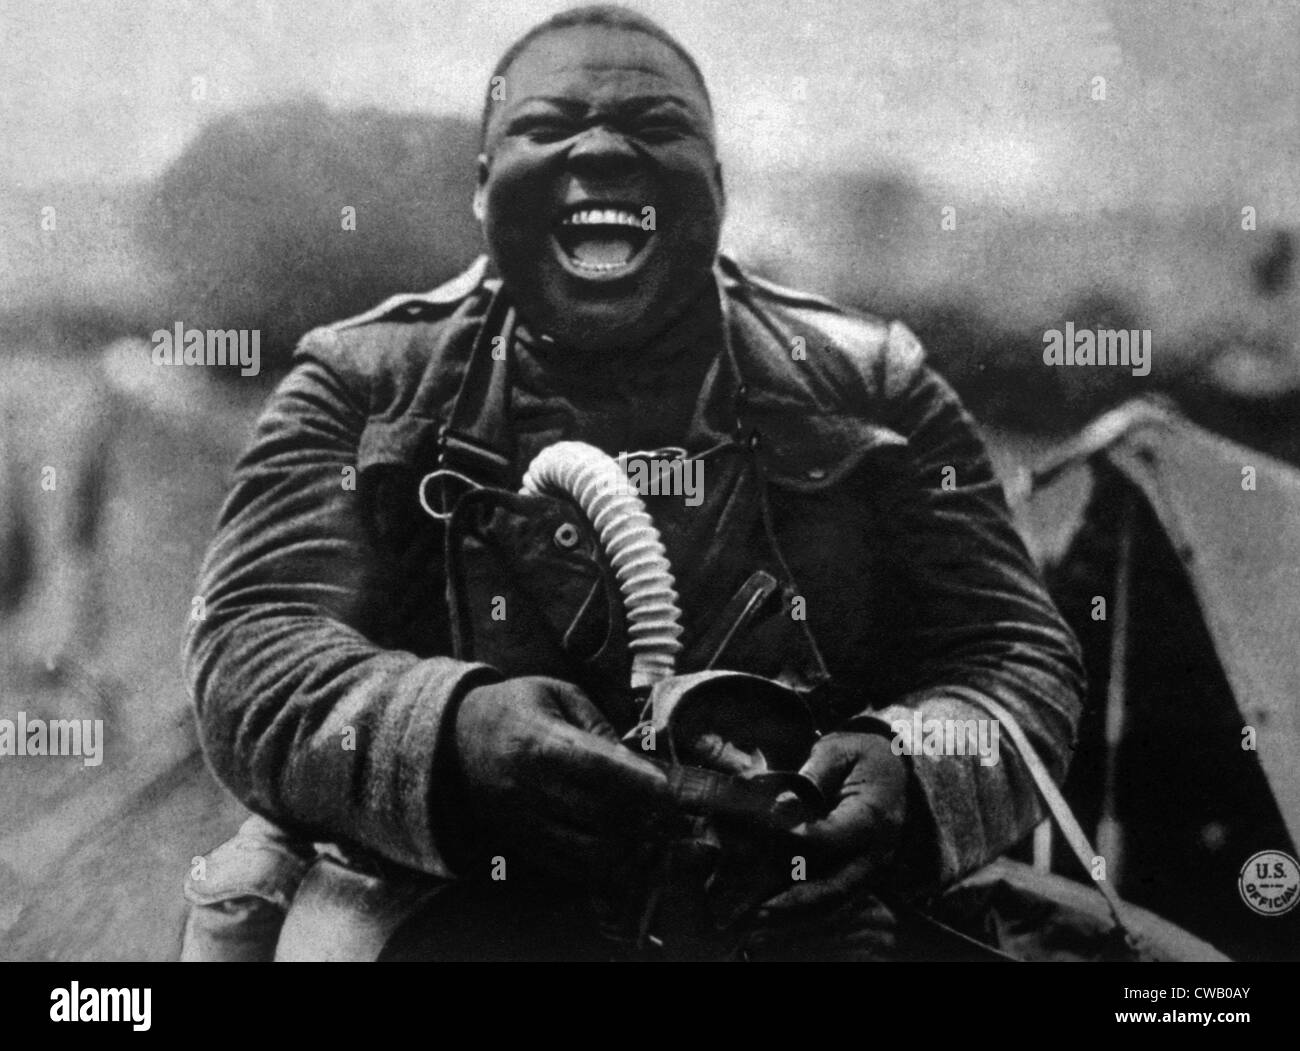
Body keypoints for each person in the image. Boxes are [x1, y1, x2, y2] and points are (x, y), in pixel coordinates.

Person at [185, 4, 1084, 961]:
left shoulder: (874, 384)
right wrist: (455, 735)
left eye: (658, 128)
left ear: (719, 189)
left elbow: (1015, 654)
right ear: (485, 190)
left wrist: (909, 771)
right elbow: (251, 644)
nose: (604, 149)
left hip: (794, 920)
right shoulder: (364, 382)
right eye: (546, 126)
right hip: (453, 908)